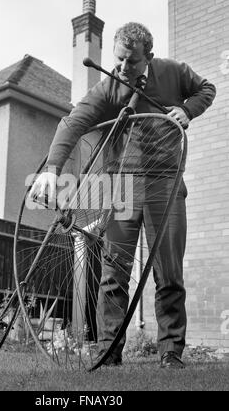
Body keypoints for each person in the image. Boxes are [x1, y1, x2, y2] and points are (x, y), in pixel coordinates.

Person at [29, 22, 216, 369]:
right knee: (114, 271)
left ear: (149, 58)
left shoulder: (173, 73)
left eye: (131, 61)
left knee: (168, 272)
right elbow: (72, 122)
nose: (122, 67)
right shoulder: (109, 86)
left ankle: (170, 353)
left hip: (166, 183)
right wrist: (52, 168)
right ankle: (108, 351)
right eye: (119, 59)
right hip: (123, 186)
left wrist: (187, 110)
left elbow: (207, 88)